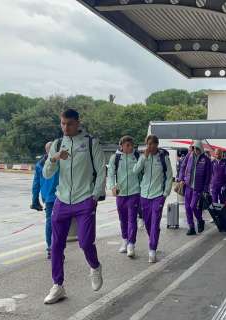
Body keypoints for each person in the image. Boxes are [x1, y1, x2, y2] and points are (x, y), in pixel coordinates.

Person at [42, 108, 106, 304]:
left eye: (69, 124)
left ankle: (95, 267)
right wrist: (54, 158)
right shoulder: (57, 144)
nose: (65, 127)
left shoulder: (90, 142)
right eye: (62, 123)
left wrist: (94, 196)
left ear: (78, 123)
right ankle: (58, 285)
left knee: (85, 242)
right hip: (62, 200)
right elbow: (46, 174)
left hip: (85, 199)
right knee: (56, 246)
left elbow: (101, 170)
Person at [133, 135, 173, 263]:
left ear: (157, 144)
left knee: (155, 223)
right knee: (149, 223)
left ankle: (152, 249)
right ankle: (153, 239)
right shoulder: (143, 157)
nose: (149, 146)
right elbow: (135, 171)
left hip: (158, 196)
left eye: (152, 144)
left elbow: (169, 176)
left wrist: (165, 194)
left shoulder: (163, 158)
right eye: (148, 144)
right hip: (144, 195)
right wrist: (144, 157)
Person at [106, 136, 141, 258]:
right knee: (123, 219)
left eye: (131, 145)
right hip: (120, 194)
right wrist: (112, 187)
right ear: (121, 146)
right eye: (127, 145)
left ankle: (131, 244)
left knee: (132, 219)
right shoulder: (115, 158)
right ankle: (125, 240)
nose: (130, 147)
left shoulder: (137, 157)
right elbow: (110, 175)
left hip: (134, 192)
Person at [31, 142, 59, 260]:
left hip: (48, 197)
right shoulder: (59, 162)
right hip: (59, 197)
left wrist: (35, 200)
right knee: (58, 223)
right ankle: (55, 248)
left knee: (50, 222)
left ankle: (51, 248)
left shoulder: (39, 164)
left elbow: (36, 184)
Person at [182, 140, 212, 235]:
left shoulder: (206, 160)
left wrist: (206, 189)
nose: (196, 150)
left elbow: (208, 175)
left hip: (198, 188)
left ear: (201, 149)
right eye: (194, 148)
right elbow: (183, 166)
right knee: (187, 207)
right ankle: (191, 227)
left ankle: (200, 220)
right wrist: (181, 178)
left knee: (193, 206)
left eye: (198, 148)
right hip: (188, 186)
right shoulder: (189, 156)